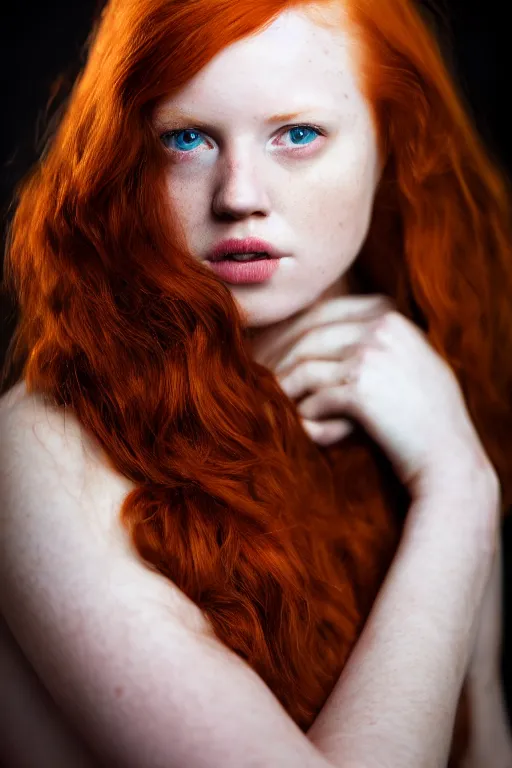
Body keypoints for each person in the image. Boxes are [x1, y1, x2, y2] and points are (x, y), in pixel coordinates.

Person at [0, 0, 511, 765]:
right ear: (127, 157)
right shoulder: (46, 448)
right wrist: (461, 496)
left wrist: (450, 465)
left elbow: (484, 741)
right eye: (187, 139)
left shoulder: (422, 402)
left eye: (297, 134)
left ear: (389, 142)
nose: (239, 194)